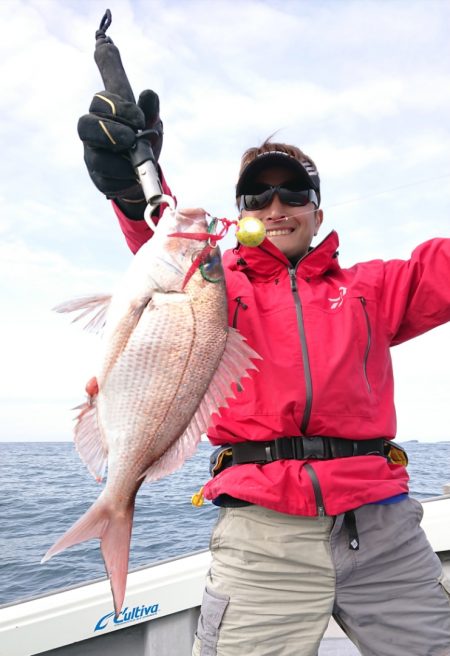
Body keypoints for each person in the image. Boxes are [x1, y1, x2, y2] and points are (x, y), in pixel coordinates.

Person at [78, 89, 450, 656]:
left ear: (317, 212)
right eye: (258, 196)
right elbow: (163, 253)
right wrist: (134, 194)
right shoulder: (214, 284)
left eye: (293, 193)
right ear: (242, 214)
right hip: (262, 535)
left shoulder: (373, 286)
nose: (276, 208)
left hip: (384, 529)